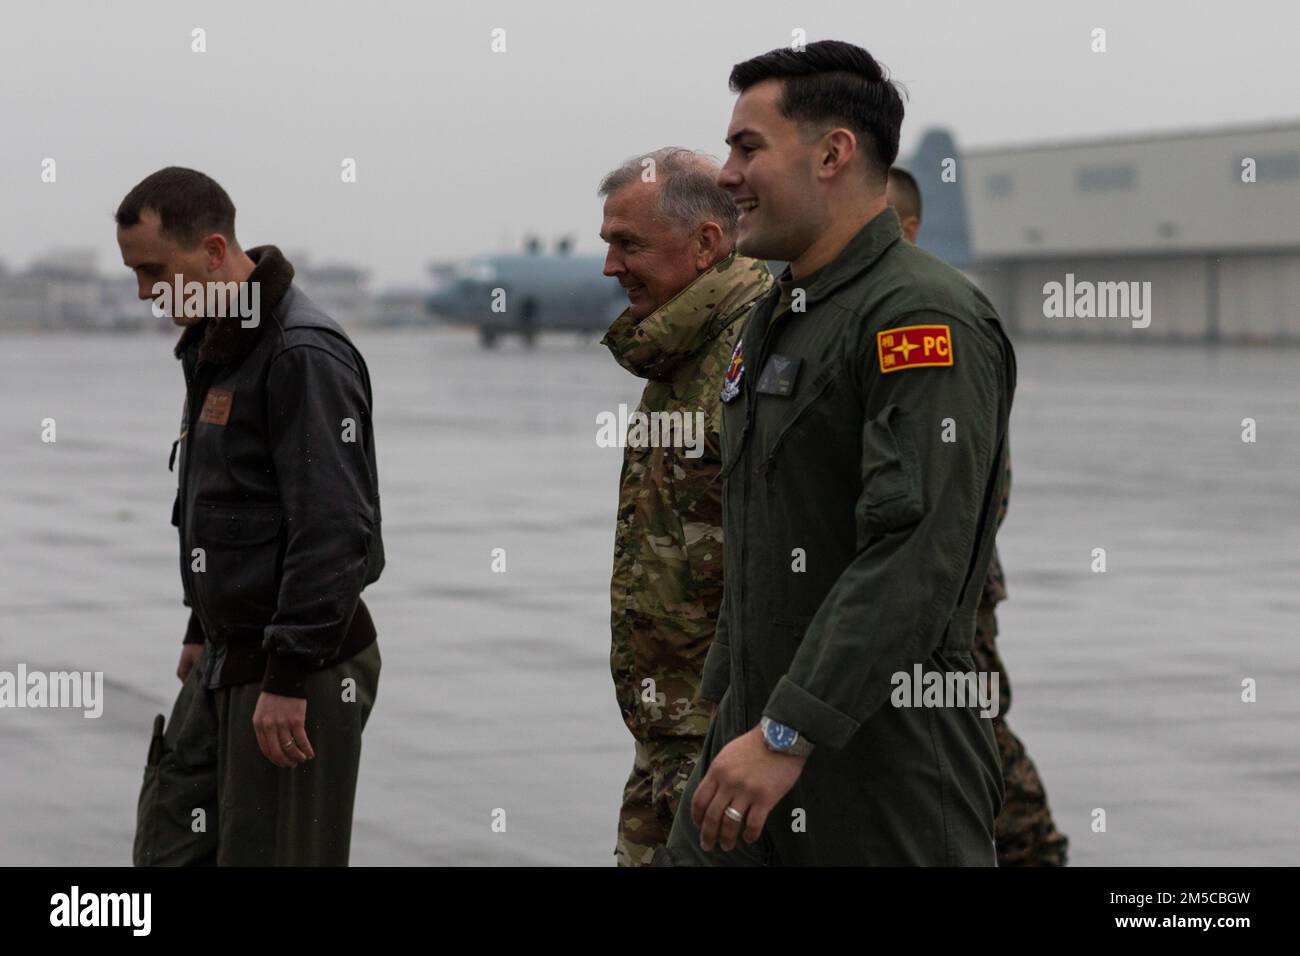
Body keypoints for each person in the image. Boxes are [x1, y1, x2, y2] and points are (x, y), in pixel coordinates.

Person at [660, 40, 1015, 865]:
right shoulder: (783, 311)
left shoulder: (922, 319)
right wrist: (732, 709)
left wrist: (790, 731)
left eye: (749, 148)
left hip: (878, 770)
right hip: (756, 745)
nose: (726, 173)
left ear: (833, 154)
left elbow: (913, 553)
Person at [118, 167, 384, 866]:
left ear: (211, 252)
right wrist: (199, 626)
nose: (145, 292)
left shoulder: (300, 353)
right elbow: (226, 502)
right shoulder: (218, 346)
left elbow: (333, 528)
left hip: (298, 669)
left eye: (153, 270)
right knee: (169, 847)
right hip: (228, 657)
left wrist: (289, 676)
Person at [887, 166, 1069, 866]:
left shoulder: (935, 313)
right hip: (937, 579)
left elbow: (971, 484)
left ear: (904, 228)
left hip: (952, 586)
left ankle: (1031, 853)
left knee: (971, 726)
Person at [599, 148, 773, 865]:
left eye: (628, 244)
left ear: (706, 243)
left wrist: (776, 737)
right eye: (609, 243)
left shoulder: (757, 355)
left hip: (730, 749)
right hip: (671, 740)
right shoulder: (680, 354)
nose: (611, 266)